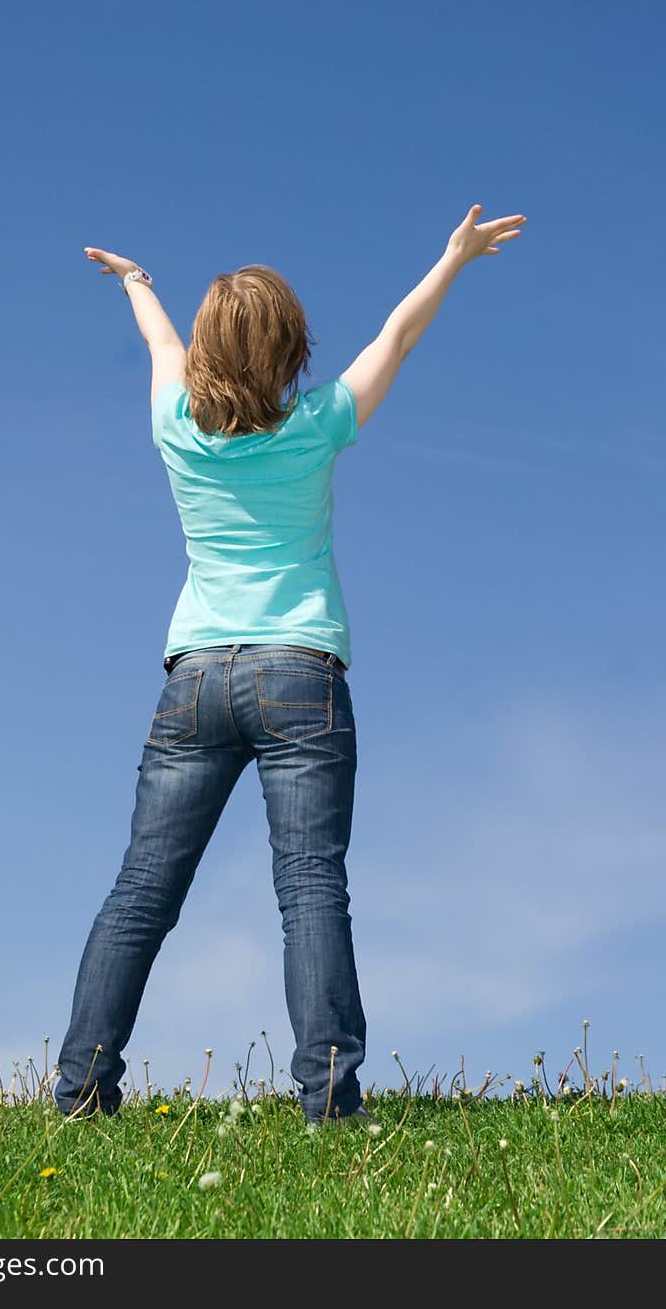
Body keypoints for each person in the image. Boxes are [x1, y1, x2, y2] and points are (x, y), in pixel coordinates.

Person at [54, 203, 526, 1123]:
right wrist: (453, 258)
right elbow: (402, 332)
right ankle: (329, 1106)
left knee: (142, 892)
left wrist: (140, 288)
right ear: (291, 347)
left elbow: (158, 350)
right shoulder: (318, 424)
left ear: (202, 354)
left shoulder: (175, 426)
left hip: (194, 680)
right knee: (310, 888)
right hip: (300, 673)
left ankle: (79, 1094)